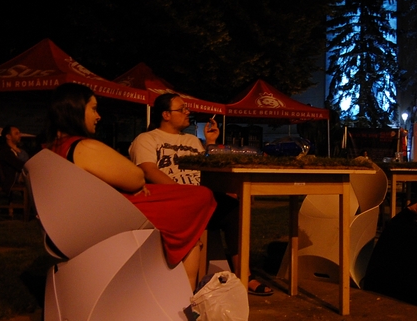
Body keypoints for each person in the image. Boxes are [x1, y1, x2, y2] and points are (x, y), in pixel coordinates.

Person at [41, 83, 216, 291]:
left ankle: (185, 283)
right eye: (94, 109)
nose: (98, 116)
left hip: (80, 221)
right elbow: (136, 177)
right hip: (106, 221)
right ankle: (187, 295)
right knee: (201, 196)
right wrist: (135, 184)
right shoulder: (82, 147)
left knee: (193, 204)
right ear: (75, 110)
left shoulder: (53, 149)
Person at [129, 93, 273, 296]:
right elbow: (148, 170)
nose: (188, 112)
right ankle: (188, 286)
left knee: (233, 209)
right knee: (205, 201)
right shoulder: (147, 139)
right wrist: (184, 194)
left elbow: (208, 170)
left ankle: (244, 274)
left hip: (201, 199)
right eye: (182, 109)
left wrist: (210, 143)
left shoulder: (193, 140)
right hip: (173, 201)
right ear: (166, 115)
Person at [0, 126, 30, 193]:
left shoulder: (21, 150)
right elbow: (18, 165)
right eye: (16, 134)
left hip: (24, 174)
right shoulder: (5, 151)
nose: (19, 135)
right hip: (14, 179)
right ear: (8, 136)